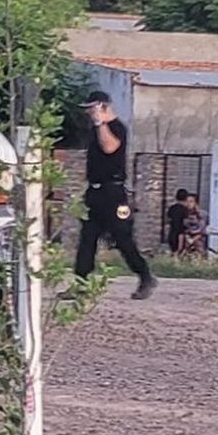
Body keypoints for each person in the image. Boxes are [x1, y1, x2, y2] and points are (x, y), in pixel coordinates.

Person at [73, 91, 156, 299]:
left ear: (102, 106)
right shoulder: (93, 130)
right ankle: (80, 283)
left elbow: (109, 147)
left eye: (92, 107)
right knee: (87, 239)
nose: (88, 112)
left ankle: (145, 276)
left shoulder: (117, 128)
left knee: (122, 238)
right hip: (95, 192)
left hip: (113, 193)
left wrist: (101, 124)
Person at [166, 189, 190, 253]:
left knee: (173, 251)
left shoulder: (172, 208)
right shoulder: (184, 210)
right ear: (186, 198)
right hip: (180, 235)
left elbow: (168, 220)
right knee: (180, 253)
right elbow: (184, 224)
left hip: (171, 233)